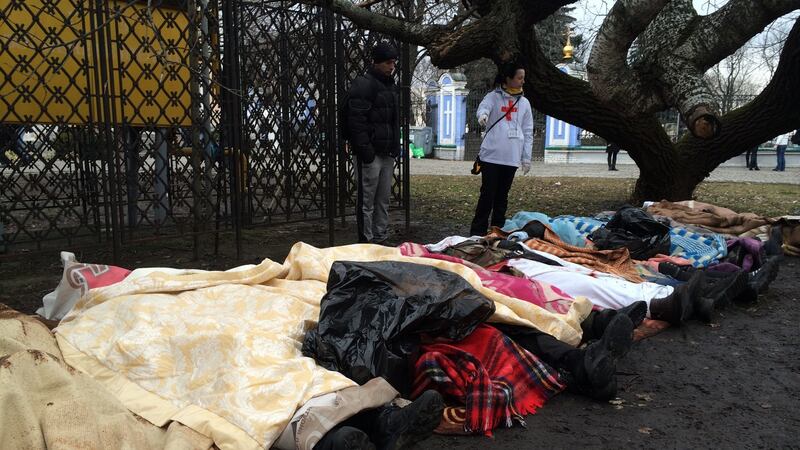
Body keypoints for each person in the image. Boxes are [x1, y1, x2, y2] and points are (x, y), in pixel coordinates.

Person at [469, 62, 534, 237]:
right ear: (508, 78)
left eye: (523, 78)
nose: (523, 81)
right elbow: (484, 107)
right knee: (487, 195)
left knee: (502, 197)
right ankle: (477, 232)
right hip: (491, 156)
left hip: (511, 157)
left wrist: (526, 158)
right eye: (519, 78)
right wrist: (483, 115)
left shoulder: (524, 103)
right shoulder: (493, 97)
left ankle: (497, 231)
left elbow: (528, 131)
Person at [347, 42, 401, 244]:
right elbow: (356, 121)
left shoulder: (390, 86)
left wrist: (394, 146)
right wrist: (366, 151)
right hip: (370, 153)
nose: (391, 67)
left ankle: (380, 237)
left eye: (393, 62)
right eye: (388, 62)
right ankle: (367, 240)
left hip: (385, 152)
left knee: (383, 199)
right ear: (377, 62)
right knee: (367, 200)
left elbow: (393, 119)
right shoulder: (364, 85)